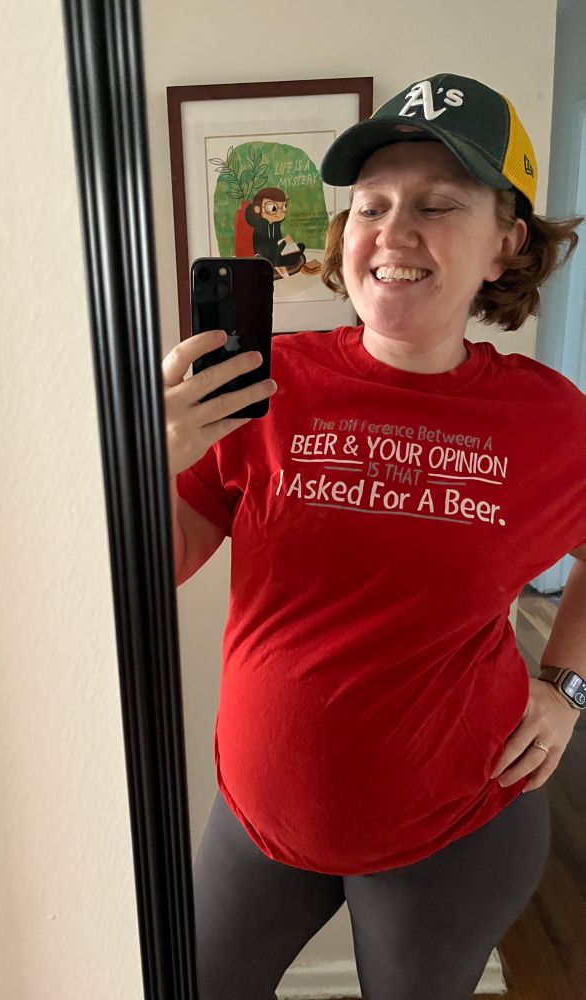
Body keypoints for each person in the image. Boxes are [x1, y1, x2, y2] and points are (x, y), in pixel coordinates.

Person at [163, 73, 585, 1000]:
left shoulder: (553, 421)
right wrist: (147, 464)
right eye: (371, 206)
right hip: (257, 818)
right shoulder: (260, 387)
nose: (394, 232)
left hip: (454, 830)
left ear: (506, 245)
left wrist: (565, 687)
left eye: (437, 205)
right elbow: (158, 566)